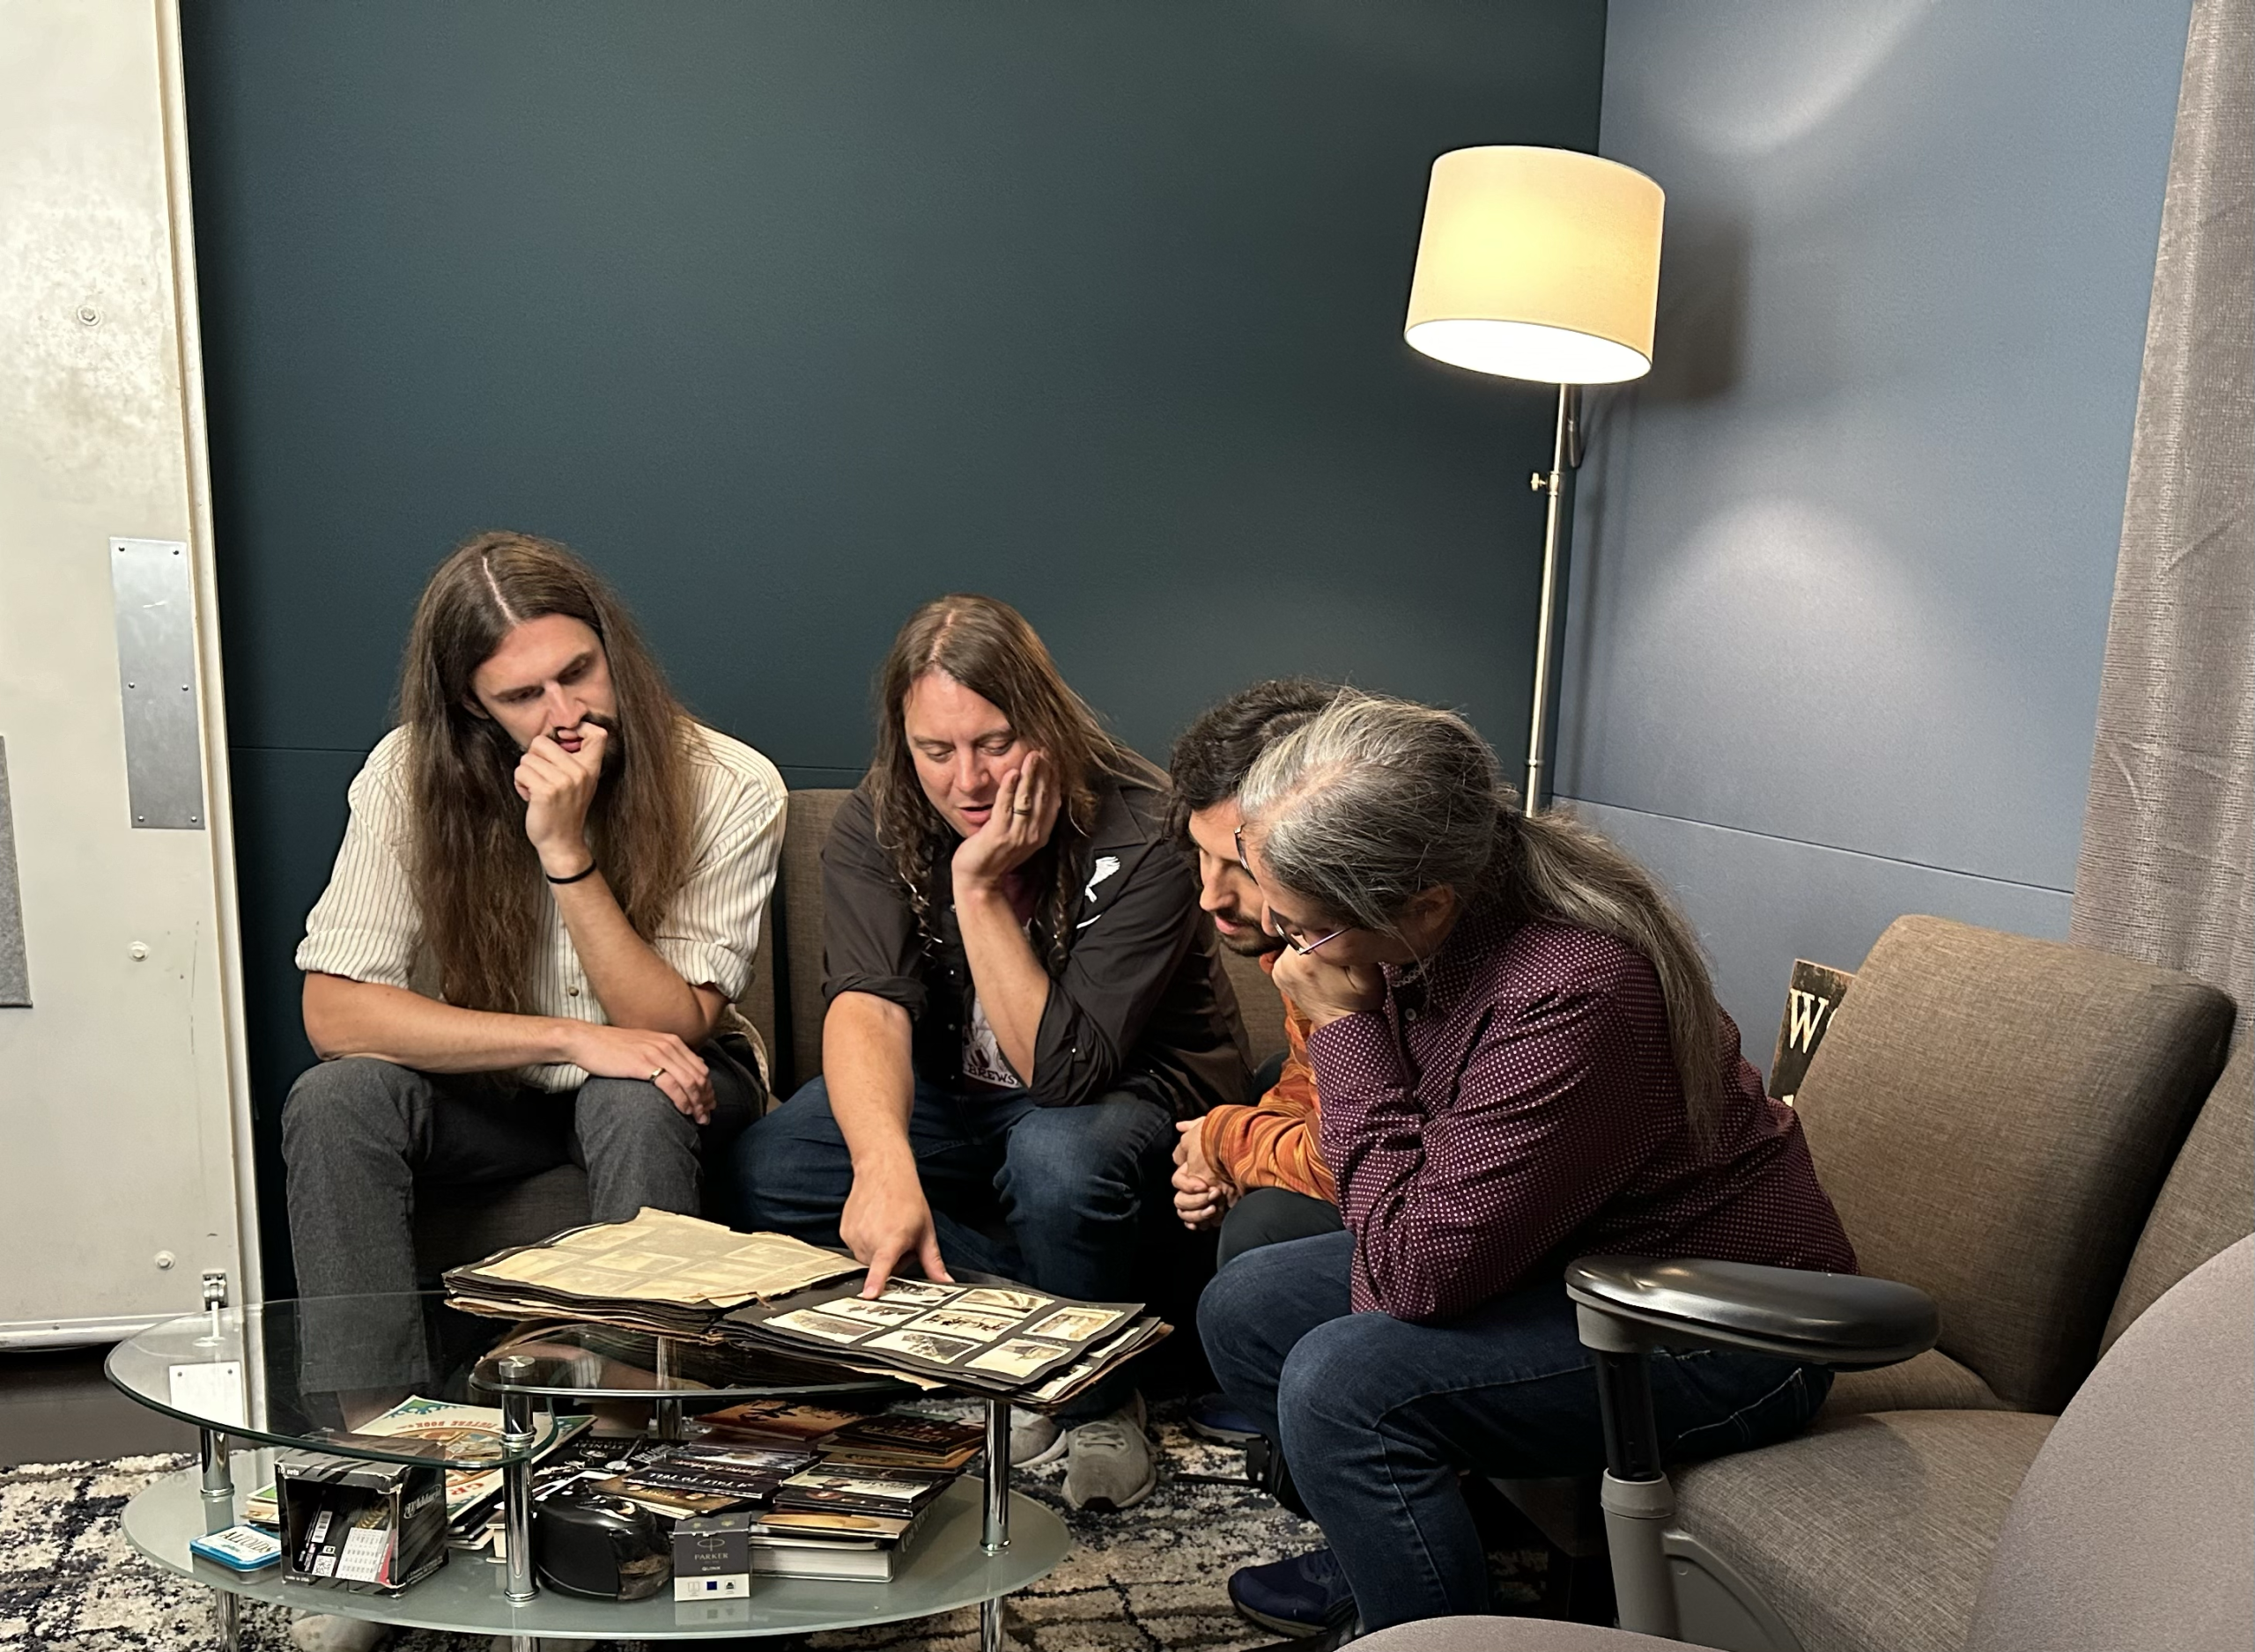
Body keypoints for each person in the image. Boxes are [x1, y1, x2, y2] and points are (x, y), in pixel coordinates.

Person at [1200, 692, 1856, 1646]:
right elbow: (1415, 1191)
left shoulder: (1572, 989)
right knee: (1247, 1306)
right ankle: (1384, 1557)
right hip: (1572, 1256)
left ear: (1423, 906)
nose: (1284, 951)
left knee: (1344, 1384)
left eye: (1304, 930)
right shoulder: (1453, 915)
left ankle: (1442, 1633)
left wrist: (1344, 1032)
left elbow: (1411, 1275)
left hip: (1727, 1326)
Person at [731, 594, 1247, 1511]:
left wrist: (975, 888)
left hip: (1123, 1098)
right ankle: (1064, 1318)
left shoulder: (1143, 827)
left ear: (1043, 723)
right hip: (966, 1099)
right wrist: (883, 1162)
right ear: (904, 742)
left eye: (994, 742)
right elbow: (866, 1001)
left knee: (1054, 1154)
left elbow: (1063, 1072)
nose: (966, 779)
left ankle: (1096, 1395)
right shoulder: (876, 821)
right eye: (937, 750)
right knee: (778, 1161)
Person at [283, 530, 784, 1381]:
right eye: (523, 695)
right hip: (495, 1092)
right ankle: (378, 1447)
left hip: (679, 1078)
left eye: (580, 671)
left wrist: (565, 853)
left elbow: (668, 1025)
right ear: (475, 705)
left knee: (634, 1089)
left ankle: (636, 1429)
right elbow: (333, 1015)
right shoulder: (407, 774)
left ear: (611, 649)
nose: (566, 715)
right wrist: (567, 1038)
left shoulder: (731, 783)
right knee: (335, 1099)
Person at [1164, 681, 1345, 1453]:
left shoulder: (1356, 942)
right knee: (1270, 1080)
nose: (1209, 895)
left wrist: (1227, 1142)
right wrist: (1245, 1139)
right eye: (1201, 859)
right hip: (1385, 1162)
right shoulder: (1301, 942)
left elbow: (1357, 1158)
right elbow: (1315, 1084)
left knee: (1262, 1230)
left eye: (1237, 864)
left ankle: (1303, 1440)